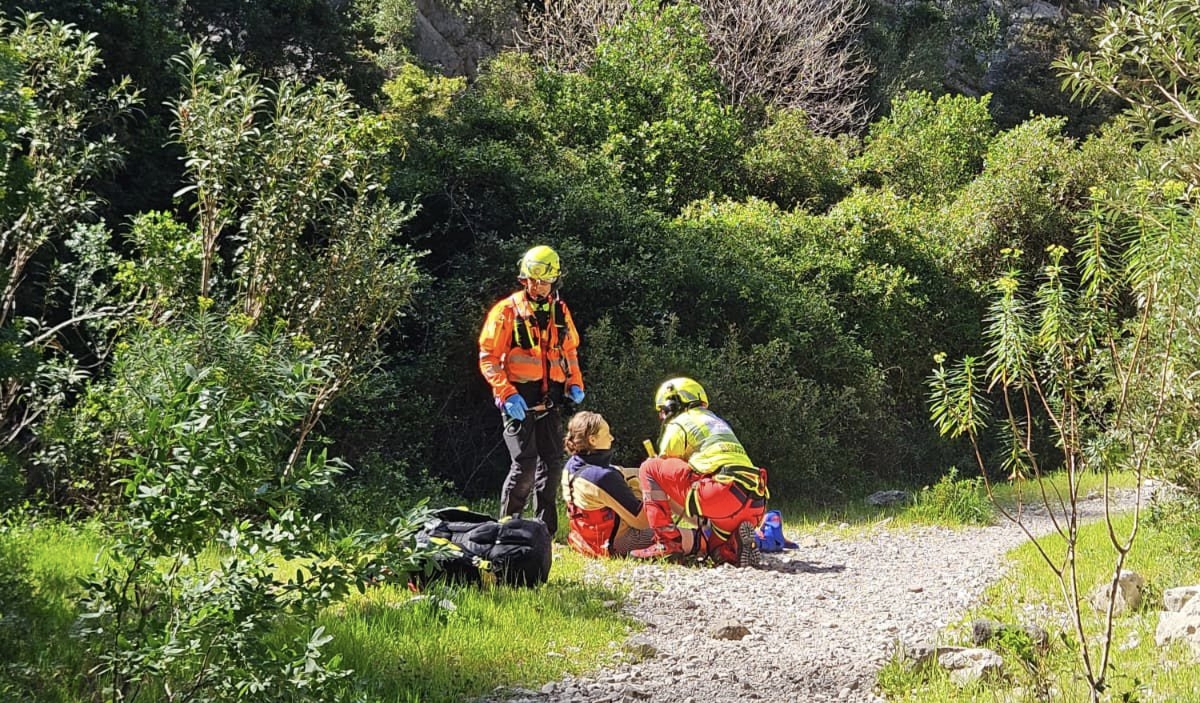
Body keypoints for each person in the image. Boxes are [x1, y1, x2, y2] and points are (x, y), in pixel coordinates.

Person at [479, 245, 584, 537]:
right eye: (532, 280)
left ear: (554, 281)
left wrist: (575, 383)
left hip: (549, 397)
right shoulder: (506, 311)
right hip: (517, 397)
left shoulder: (559, 311)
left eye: (544, 281)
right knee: (524, 463)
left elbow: (569, 351)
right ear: (524, 278)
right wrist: (507, 393)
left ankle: (545, 531)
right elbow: (488, 357)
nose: (537, 286)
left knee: (550, 463)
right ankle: (508, 527)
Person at [630, 377, 769, 567]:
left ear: (673, 403)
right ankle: (730, 546)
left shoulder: (680, 422)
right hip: (754, 502)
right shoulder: (717, 422)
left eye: (662, 411)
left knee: (650, 467)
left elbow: (666, 463)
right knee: (714, 547)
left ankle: (667, 543)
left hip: (720, 493)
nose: (662, 417)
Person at [562, 411, 700, 558]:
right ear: (593, 440)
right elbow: (642, 522)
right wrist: (641, 483)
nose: (612, 438)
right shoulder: (603, 477)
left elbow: (612, 477)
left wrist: (648, 473)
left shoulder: (573, 466)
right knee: (699, 538)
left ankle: (701, 520)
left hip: (586, 540)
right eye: (607, 434)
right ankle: (707, 528)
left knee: (656, 484)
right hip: (618, 543)